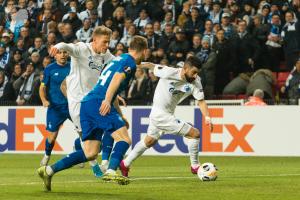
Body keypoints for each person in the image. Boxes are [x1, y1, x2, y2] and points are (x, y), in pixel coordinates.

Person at [37, 35, 147, 191]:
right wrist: (107, 101)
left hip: (87, 103)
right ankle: (110, 170)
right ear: (144, 51)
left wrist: (119, 113)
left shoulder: (117, 59)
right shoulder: (128, 62)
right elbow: (115, 81)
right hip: (98, 102)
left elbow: (110, 87)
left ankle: (49, 170)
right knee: (124, 139)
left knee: (90, 152)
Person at [40, 26, 115, 179]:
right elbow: (67, 46)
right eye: (105, 42)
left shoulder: (105, 55)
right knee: (91, 149)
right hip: (78, 106)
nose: (107, 45)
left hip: (93, 102)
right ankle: (102, 165)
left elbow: (119, 63)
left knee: (104, 136)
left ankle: (52, 169)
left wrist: (142, 63)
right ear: (94, 40)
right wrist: (57, 46)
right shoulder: (81, 49)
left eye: (109, 42)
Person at [119, 56, 213, 177]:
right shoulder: (169, 72)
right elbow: (151, 65)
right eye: (193, 72)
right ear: (185, 68)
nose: (195, 75)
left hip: (165, 114)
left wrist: (207, 118)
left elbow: (201, 101)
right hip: (160, 114)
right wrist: (130, 64)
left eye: (197, 73)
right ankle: (195, 166)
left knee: (149, 141)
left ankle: (125, 164)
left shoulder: (196, 81)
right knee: (195, 134)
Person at [39, 49, 71, 167]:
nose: (63, 55)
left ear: (68, 54)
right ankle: (47, 155)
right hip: (55, 108)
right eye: (60, 53)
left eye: (65, 52)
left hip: (72, 106)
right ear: (55, 55)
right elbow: (42, 87)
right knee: (52, 137)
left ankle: (87, 158)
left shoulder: (73, 67)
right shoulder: (49, 69)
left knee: (83, 132)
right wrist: (44, 100)